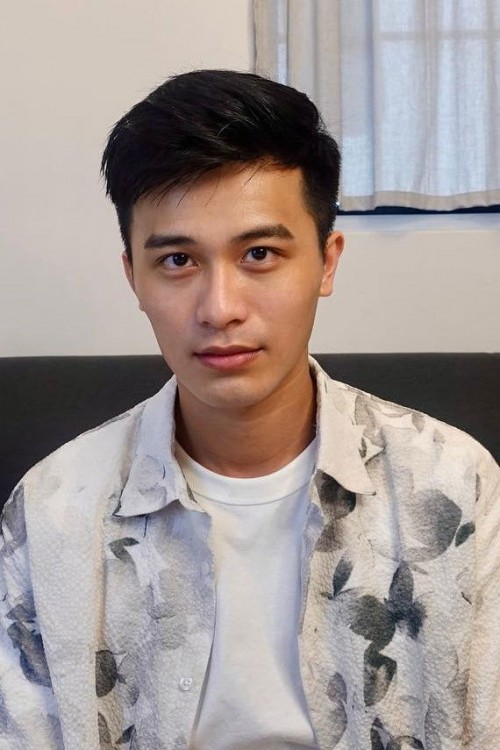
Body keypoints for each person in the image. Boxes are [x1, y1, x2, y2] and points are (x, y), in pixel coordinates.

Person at [0, 69, 498, 750]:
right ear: (133, 278)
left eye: (260, 253)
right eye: (178, 260)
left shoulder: (455, 484)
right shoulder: (54, 508)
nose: (220, 308)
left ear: (326, 262)